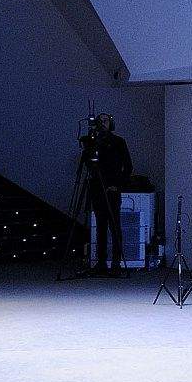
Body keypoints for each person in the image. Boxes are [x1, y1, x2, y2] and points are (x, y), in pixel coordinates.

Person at [79, 113, 132, 275]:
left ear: (111, 123)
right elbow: (88, 164)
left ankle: (116, 263)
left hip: (112, 189)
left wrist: (118, 185)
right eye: (99, 121)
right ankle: (101, 262)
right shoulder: (94, 142)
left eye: (105, 121)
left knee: (114, 226)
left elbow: (128, 166)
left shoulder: (118, 142)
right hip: (97, 188)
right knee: (100, 227)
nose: (102, 124)